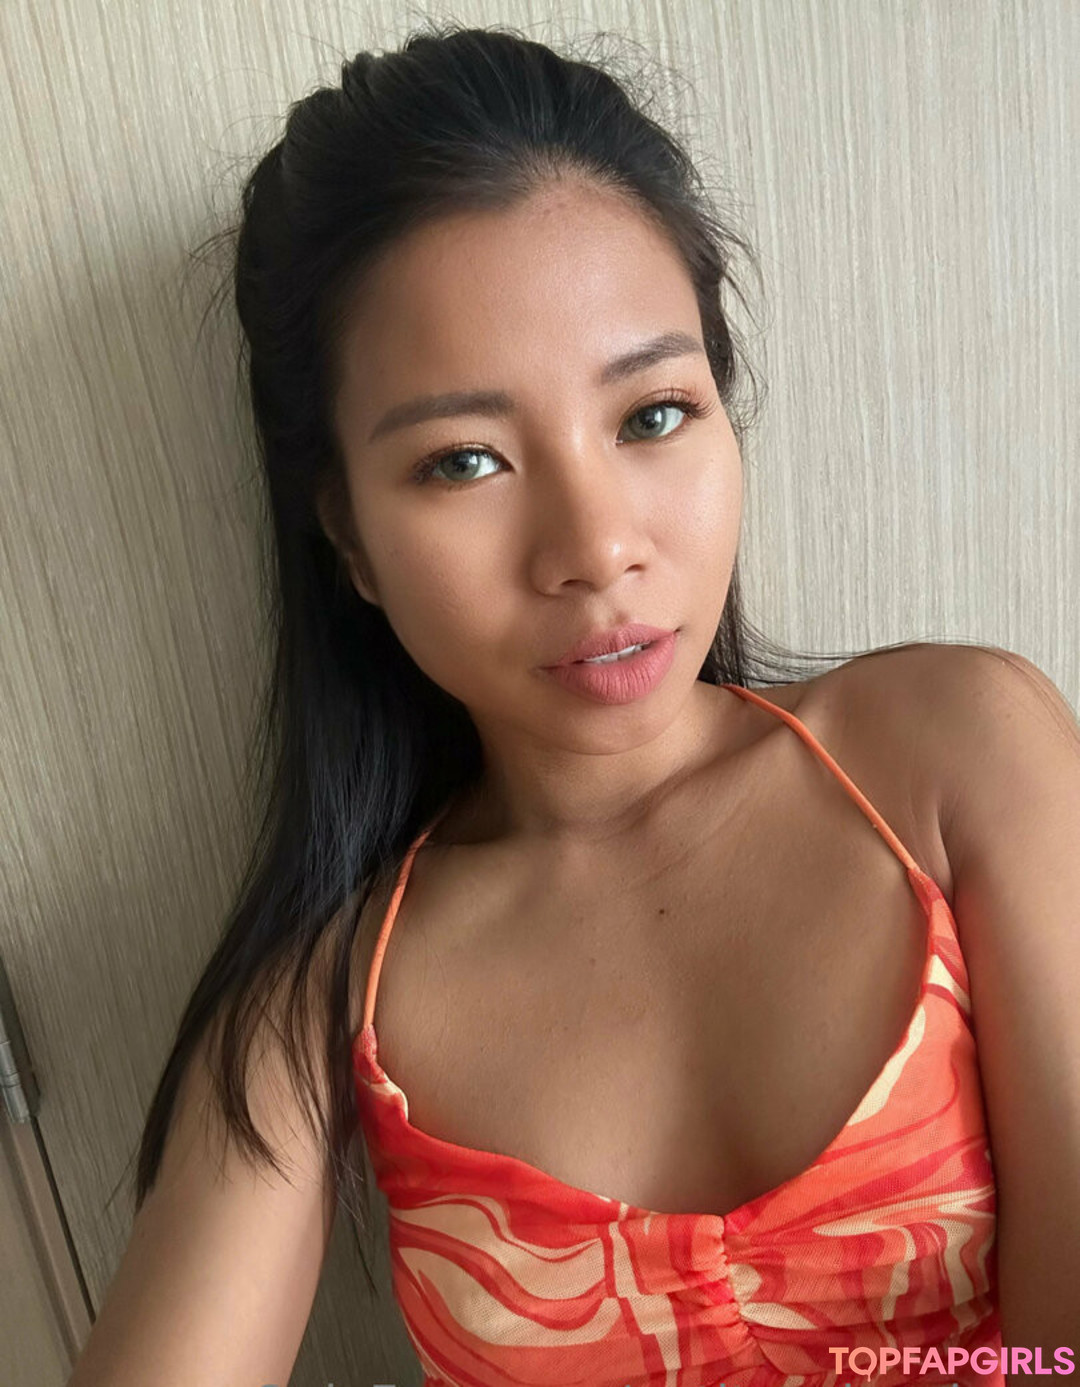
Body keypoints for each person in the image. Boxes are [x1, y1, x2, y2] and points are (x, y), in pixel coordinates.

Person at [66, 21, 1080, 1387]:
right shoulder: (317, 1011)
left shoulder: (958, 755)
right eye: (465, 460)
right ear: (349, 537)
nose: (596, 549)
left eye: (652, 414)